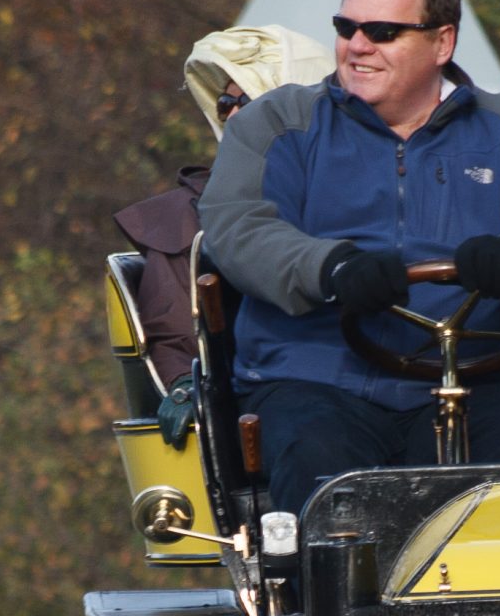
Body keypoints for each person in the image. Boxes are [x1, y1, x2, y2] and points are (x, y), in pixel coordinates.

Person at [197, 0, 500, 515]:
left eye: (382, 31)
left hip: (477, 380)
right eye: (347, 27)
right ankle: (338, 602)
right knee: (322, 469)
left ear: (442, 42)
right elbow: (238, 224)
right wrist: (331, 267)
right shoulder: (280, 122)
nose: (358, 46)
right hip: (318, 380)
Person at [113, 24, 334, 401]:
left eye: (245, 101)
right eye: (225, 104)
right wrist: (185, 387)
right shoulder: (190, 217)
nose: (231, 115)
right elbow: (178, 339)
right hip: (261, 402)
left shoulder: (364, 193)